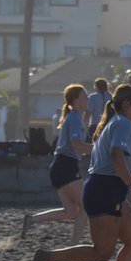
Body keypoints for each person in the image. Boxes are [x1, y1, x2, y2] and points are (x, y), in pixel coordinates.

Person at [28, 83, 131, 261]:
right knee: (101, 252)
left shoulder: (118, 123)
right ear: (126, 104)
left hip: (108, 189)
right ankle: (47, 256)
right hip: (105, 191)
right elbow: (116, 158)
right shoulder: (122, 124)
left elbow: (117, 163)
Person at [21, 84, 92, 242]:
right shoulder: (73, 117)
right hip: (65, 166)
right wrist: (100, 149)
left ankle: (31, 220)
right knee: (87, 207)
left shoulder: (76, 117)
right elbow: (77, 145)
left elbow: (81, 142)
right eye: (85, 96)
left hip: (60, 166)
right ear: (75, 100)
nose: (88, 99)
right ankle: (73, 246)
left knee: (71, 211)